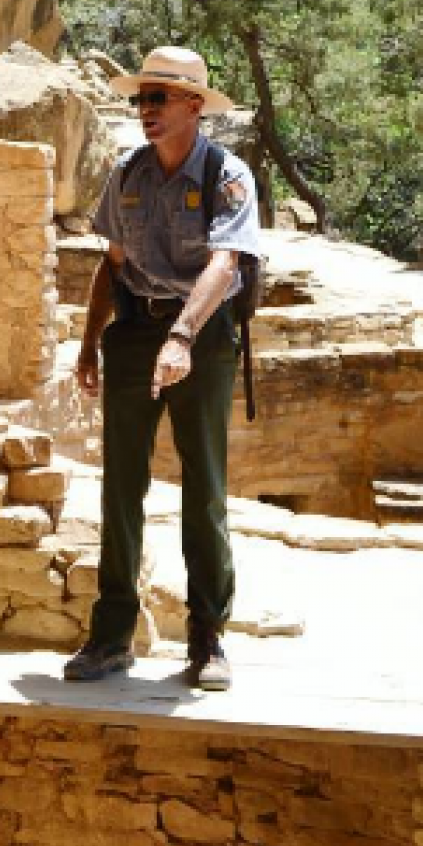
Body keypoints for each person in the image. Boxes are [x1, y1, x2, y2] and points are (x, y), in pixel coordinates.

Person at [63, 46, 260, 691]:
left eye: (159, 99)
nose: (145, 111)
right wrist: (90, 343)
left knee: (203, 484)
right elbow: (114, 262)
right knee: (121, 485)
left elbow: (225, 264)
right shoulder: (127, 175)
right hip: (135, 327)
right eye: (141, 99)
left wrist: (182, 337)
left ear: (193, 107)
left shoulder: (228, 176)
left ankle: (208, 638)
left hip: (199, 334)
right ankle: (112, 633)